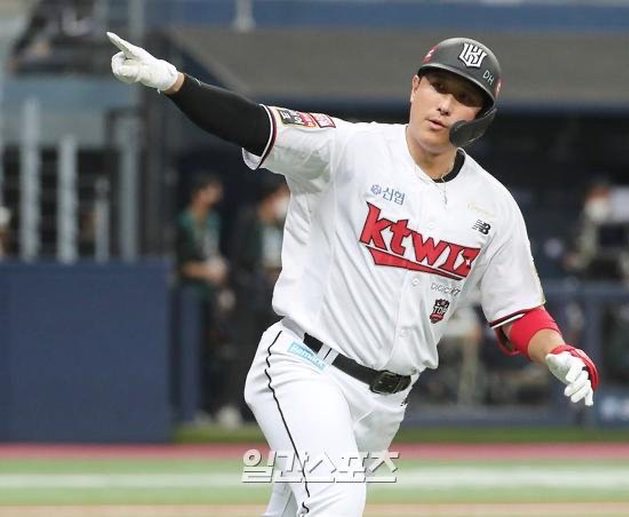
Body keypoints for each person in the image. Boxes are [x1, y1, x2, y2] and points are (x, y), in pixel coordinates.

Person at [108, 33, 600, 516]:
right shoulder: (347, 147)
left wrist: (557, 351)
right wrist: (175, 83)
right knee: (337, 503)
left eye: (465, 98)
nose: (445, 104)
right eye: (438, 86)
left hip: (385, 403)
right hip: (307, 366)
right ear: (415, 86)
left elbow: (518, 311)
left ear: (481, 118)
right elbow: (255, 125)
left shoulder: (493, 205)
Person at [229, 176, 290, 420]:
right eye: (282, 195)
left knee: (273, 352)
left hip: (275, 295)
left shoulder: (283, 224)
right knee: (245, 349)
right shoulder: (250, 219)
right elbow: (238, 258)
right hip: (250, 294)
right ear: (271, 197)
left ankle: (268, 408)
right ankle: (233, 406)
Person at [175, 173, 234, 423]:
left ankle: (212, 405)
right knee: (192, 351)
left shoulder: (213, 220)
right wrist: (205, 271)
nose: (216, 195)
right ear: (198, 193)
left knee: (216, 351)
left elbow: (213, 253)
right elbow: (180, 264)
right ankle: (191, 406)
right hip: (190, 296)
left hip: (211, 294)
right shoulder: (184, 222)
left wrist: (220, 277)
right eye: (211, 190)